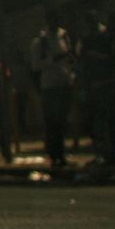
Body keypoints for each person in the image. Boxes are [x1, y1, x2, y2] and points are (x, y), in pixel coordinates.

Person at [28, 11, 76, 168]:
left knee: (62, 121)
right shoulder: (40, 42)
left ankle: (60, 154)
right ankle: (54, 154)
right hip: (50, 85)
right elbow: (35, 65)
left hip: (65, 82)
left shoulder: (64, 37)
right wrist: (52, 59)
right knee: (52, 122)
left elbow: (70, 58)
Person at [76, 11, 115, 165]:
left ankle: (109, 151)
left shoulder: (105, 36)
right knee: (98, 120)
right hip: (95, 84)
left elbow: (111, 58)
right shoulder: (87, 38)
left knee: (105, 119)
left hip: (103, 82)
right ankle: (103, 151)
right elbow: (81, 59)